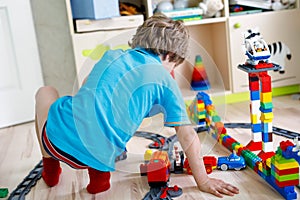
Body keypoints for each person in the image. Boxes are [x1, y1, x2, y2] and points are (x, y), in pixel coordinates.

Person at [35, 14, 239, 197]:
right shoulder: (165, 82)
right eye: (173, 67)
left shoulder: (112, 55)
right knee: (106, 130)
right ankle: (99, 178)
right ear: (170, 56)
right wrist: (203, 181)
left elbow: (87, 89)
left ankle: (50, 167)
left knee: (46, 92)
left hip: (56, 141)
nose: (171, 72)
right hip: (100, 156)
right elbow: (187, 136)